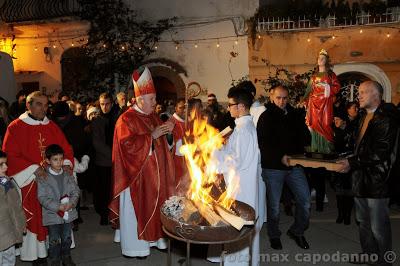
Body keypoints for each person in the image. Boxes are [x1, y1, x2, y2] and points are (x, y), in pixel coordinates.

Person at [109, 67, 175, 258]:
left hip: (155, 177)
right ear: (139, 99)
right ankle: (136, 249)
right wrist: (150, 137)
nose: (156, 103)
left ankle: (155, 240)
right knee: (134, 212)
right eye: (152, 99)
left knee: (156, 208)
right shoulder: (125, 119)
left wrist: (167, 133)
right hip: (136, 178)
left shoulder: (152, 116)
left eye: (155, 98)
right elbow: (126, 147)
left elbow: (163, 143)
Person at [2, 91, 74, 265]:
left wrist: (65, 163)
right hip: (31, 183)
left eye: (45, 105)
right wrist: (34, 169)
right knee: (35, 217)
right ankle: (38, 255)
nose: (43, 108)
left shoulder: (52, 126)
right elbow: (10, 156)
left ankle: (61, 253)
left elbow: (66, 149)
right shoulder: (15, 127)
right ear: (28, 105)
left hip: (55, 183)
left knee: (59, 217)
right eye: (38, 104)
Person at [336, 81, 399, 265]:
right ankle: (368, 254)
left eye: (363, 92)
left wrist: (351, 162)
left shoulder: (385, 118)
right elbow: (360, 145)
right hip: (361, 178)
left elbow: (380, 153)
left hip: (378, 181)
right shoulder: (365, 116)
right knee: (363, 222)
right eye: (359, 92)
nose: (359, 95)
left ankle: (383, 261)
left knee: (378, 227)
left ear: (376, 95)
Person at [207, 88, 260, 266]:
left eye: (230, 105)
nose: (228, 108)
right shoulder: (241, 127)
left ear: (241, 106)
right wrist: (221, 146)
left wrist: (214, 154)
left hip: (241, 187)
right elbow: (232, 153)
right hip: (240, 184)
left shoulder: (244, 131)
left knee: (237, 226)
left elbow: (235, 162)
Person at [257, 85, 311, 250]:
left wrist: (305, 122)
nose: (282, 101)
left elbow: (305, 138)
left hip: (294, 165)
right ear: (272, 97)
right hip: (273, 168)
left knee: (305, 201)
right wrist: (280, 156)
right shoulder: (266, 117)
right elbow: (263, 144)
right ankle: (274, 235)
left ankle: (297, 231)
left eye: (285, 98)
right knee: (274, 206)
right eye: (278, 98)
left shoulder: (295, 114)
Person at [37, 145, 79, 266]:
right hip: (52, 214)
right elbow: (42, 197)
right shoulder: (43, 177)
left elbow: (76, 191)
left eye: (61, 159)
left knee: (67, 237)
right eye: (55, 159)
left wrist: (71, 203)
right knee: (54, 240)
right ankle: (54, 260)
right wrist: (57, 207)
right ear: (48, 161)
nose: (59, 162)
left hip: (68, 212)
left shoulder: (67, 174)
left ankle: (66, 257)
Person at [304, 49, 341, 154]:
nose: (320, 60)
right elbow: (308, 91)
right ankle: (316, 147)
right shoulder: (314, 76)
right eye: (319, 58)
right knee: (314, 124)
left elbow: (337, 87)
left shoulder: (330, 75)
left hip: (325, 103)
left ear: (326, 61)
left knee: (325, 123)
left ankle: (326, 147)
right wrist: (304, 101)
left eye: (323, 58)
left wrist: (327, 86)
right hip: (314, 103)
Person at [91, 92, 118, 225]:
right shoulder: (97, 120)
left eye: (107, 104)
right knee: (102, 191)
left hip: (115, 161)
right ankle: (103, 214)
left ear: (112, 104)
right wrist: (114, 154)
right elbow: (97, 143)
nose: (105, 107)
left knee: (113, 190)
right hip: (103, 161)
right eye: (102, 104)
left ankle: (114, 213)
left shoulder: (117, 118)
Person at [0, 150, 26, 266]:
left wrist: (21, 224)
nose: (5, 167)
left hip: (8, 231)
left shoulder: (7, 182)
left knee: (9, 258)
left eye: (5, 163)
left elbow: (16, 205)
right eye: (1, 165)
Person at [332, 110, 354, 225]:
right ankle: (340, 214)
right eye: (334, 119)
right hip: (337, 163)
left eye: (337, 119)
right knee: (339, 191)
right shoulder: (334, 132)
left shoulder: (352, 132)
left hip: (350, 164)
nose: (335, 122)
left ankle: (347, 215)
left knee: (348, 191)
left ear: (344, 121)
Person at [169, 98, 188, 189]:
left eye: (185, 107)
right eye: (181, 108)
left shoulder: (186, 121)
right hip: (177, 159)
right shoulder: (172, 122)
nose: (184, 110)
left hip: (187, 158)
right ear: (175, 108)